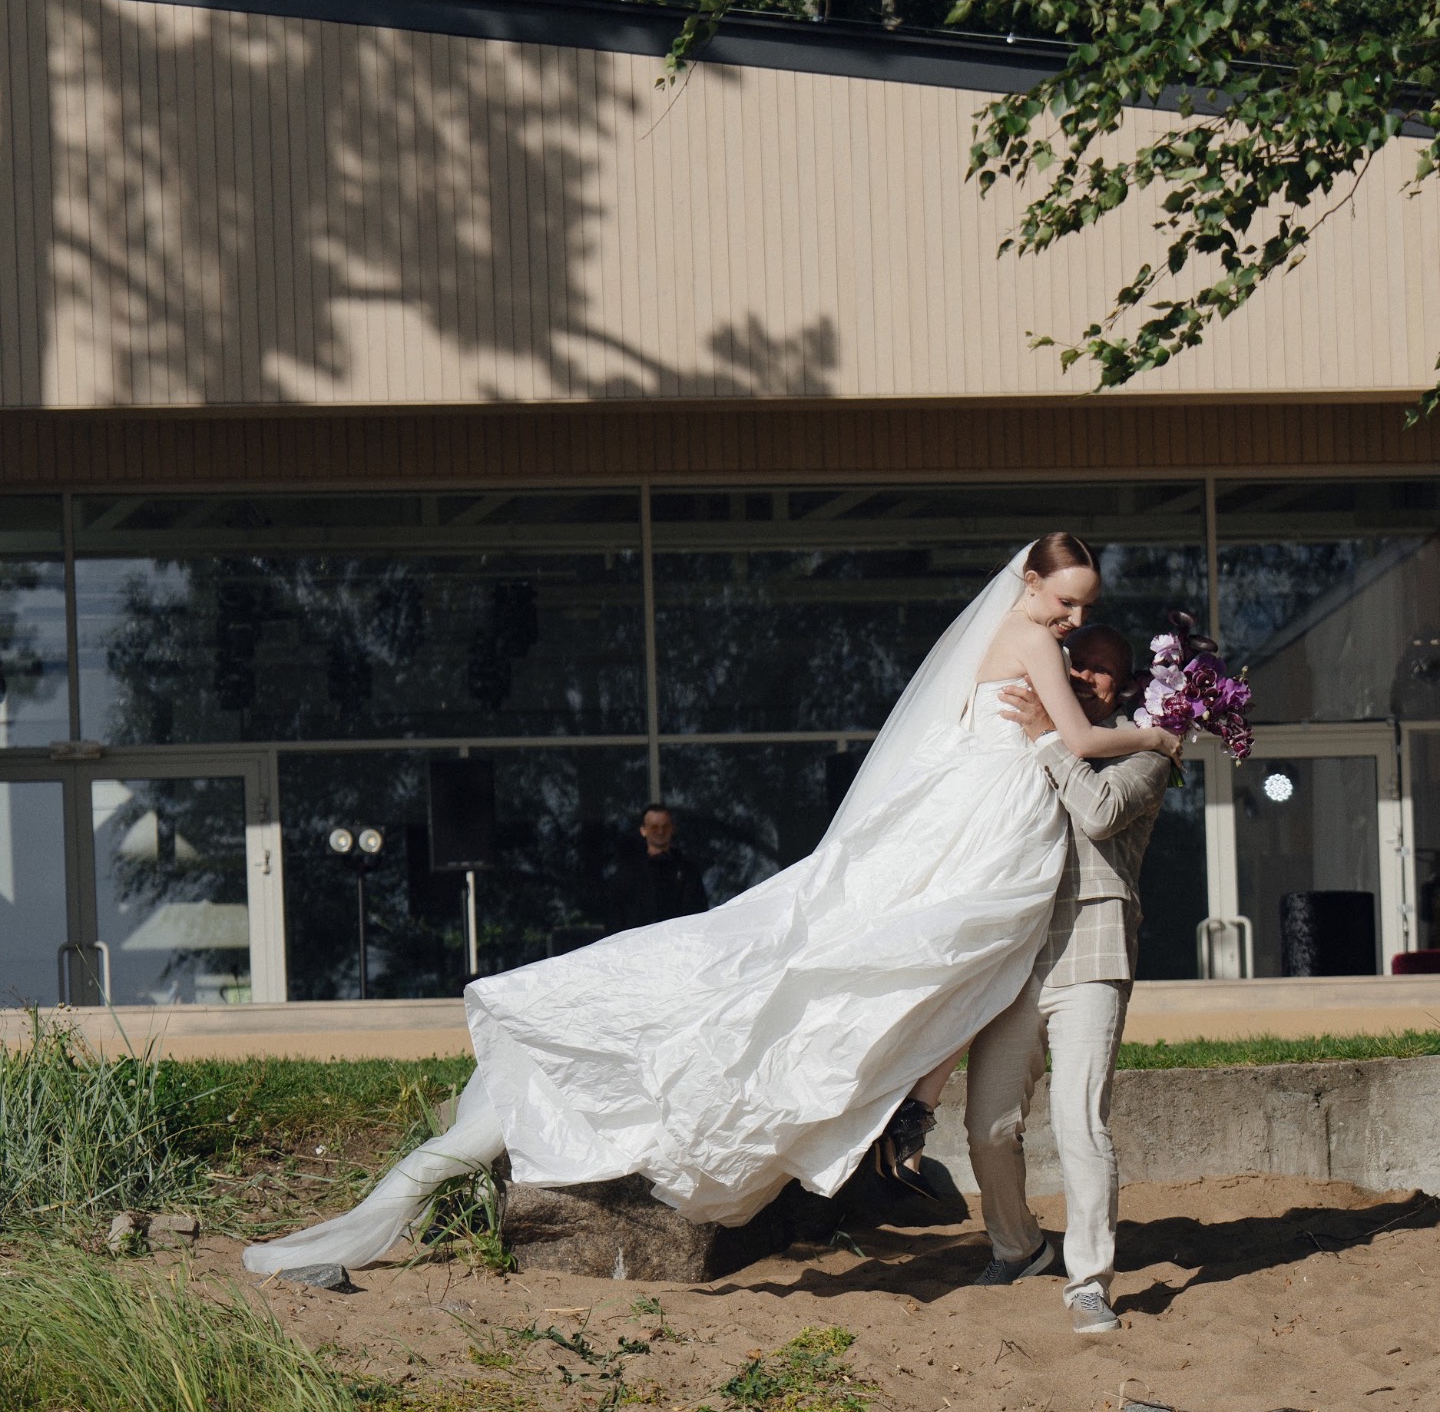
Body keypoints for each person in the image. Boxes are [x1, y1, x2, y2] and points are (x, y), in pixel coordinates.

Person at [243, 535, 1180, 1276]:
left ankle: (907, 1106)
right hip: (989, 817)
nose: (1071, 622)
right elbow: (1076, 737)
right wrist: (1166, 736)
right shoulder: (1026, 639)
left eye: (1082, 611)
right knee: (923, 949)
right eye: (1065, 603)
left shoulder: (1010, 638)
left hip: (982, 813)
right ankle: (903, 1109)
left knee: (933, 955)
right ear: (1029, 581)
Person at [902, 623, 1170, 1337]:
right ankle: (1018, 1247)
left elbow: (1100, 813)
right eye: (1074, 665)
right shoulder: (1016, 745)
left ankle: (1089, 1282)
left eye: (1102, 670)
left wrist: (1050, 735)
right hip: (1014, 961)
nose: (1084, 678)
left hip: (1091, 955)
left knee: (1081, 1122)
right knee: (988, 1126)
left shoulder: (1146, 752)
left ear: (1126, 685)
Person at [607, 804, 709, 932]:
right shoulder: (627, 872)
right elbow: (615, 917)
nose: (660, 832)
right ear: (643, 830)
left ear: (672, 829)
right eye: (654, 827)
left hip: (678, 940)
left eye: (665, 826)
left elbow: (699, 912)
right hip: (637, 941)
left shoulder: (687, 871)